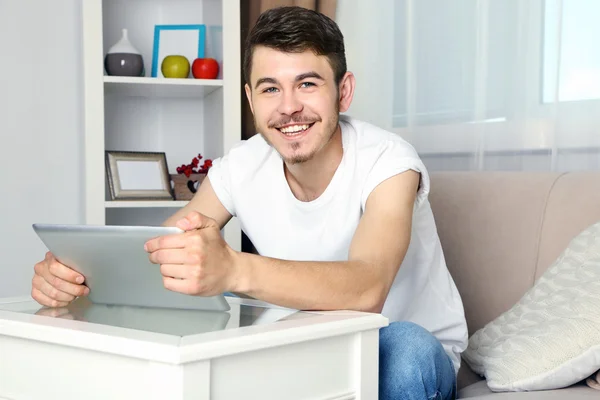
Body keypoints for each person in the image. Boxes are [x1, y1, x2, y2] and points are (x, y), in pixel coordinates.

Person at [31, 6, 467, 399]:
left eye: (308, 84)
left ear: (343, 91)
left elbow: (367, 289)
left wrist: (234, 269)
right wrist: (75, 277)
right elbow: (160, 248)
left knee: (405, 351)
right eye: (270, 89)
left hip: (395, 346)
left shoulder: (390, 162)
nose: (289, 108)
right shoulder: (241, 165)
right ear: (250, 99)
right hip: (302, 344)